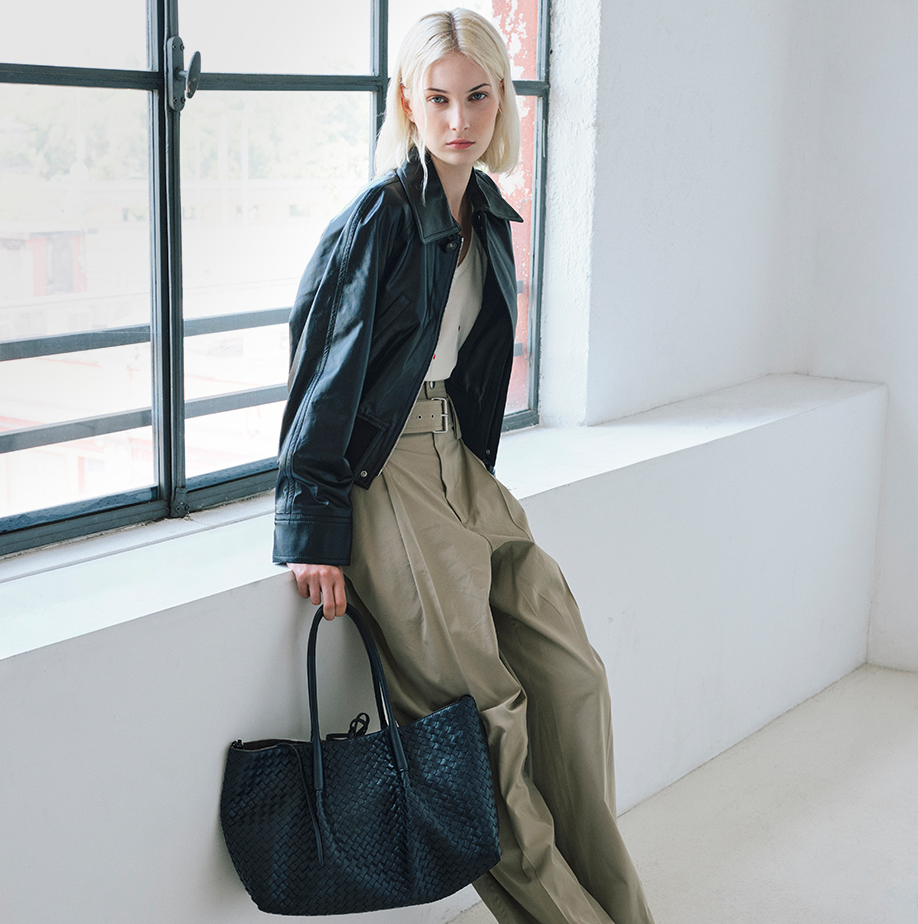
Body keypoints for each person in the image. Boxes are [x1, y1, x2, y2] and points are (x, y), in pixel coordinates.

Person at [274, 9, 655, 924]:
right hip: (388, 475)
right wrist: (312, 526)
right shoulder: (379, 221)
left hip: (461, 465)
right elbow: (320, 378)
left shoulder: (484, 211)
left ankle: (618, 908)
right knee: (483, 723)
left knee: (572, 677)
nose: (459, 119)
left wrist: (468, 471)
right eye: (438, 98)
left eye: (478, 96)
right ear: (408, 102)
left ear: (501, 100)